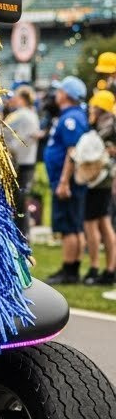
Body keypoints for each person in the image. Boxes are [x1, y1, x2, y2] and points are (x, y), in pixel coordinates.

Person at [43, 75, 88, 285]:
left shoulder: (71, 118)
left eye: (60, 91)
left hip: (67, 182)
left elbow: (72, 152)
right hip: (68, 180)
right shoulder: (73, 115)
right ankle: (73, 268)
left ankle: (69, 271)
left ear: (66, 95)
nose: (57, 95)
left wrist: (63, 181)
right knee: (74, 225)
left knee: (69, 226)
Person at [73, 90, 116, 286]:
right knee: (105, 223)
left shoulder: (107, 127)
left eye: (93, 107)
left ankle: (95, 267)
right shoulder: (108, 125)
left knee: (92, 224)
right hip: (104, 181)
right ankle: (109, 269)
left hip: (100, 181)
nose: (90, 110)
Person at [1, 85, 41, 238]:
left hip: (20, 163)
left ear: (21, 98)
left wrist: (11, 145)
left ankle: (19, 234)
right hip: (29, 161)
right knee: (23, 201)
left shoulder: (21, 114)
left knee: (18, 201)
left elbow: (3, 127)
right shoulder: (33, 114)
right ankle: (24, 234)